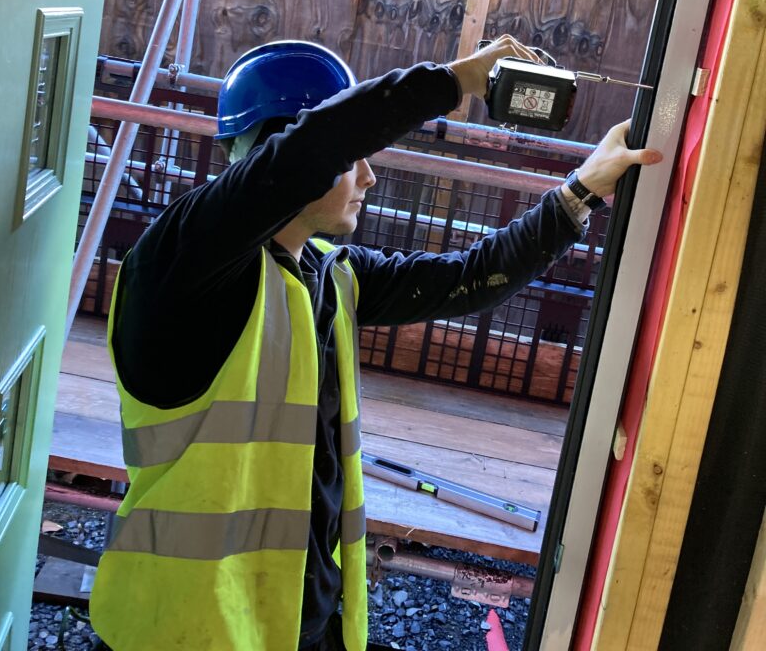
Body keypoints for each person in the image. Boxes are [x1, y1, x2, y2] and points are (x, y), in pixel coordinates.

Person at [89, 35, 662, 651]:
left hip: (294, 620)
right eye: (354, 156)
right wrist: (455, 80)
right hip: (180, 630)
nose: (369, 174)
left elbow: (467, 278)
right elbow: (308, 151)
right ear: (275, 155)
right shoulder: (179, 271)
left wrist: (579, 191)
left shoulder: (330, 275)